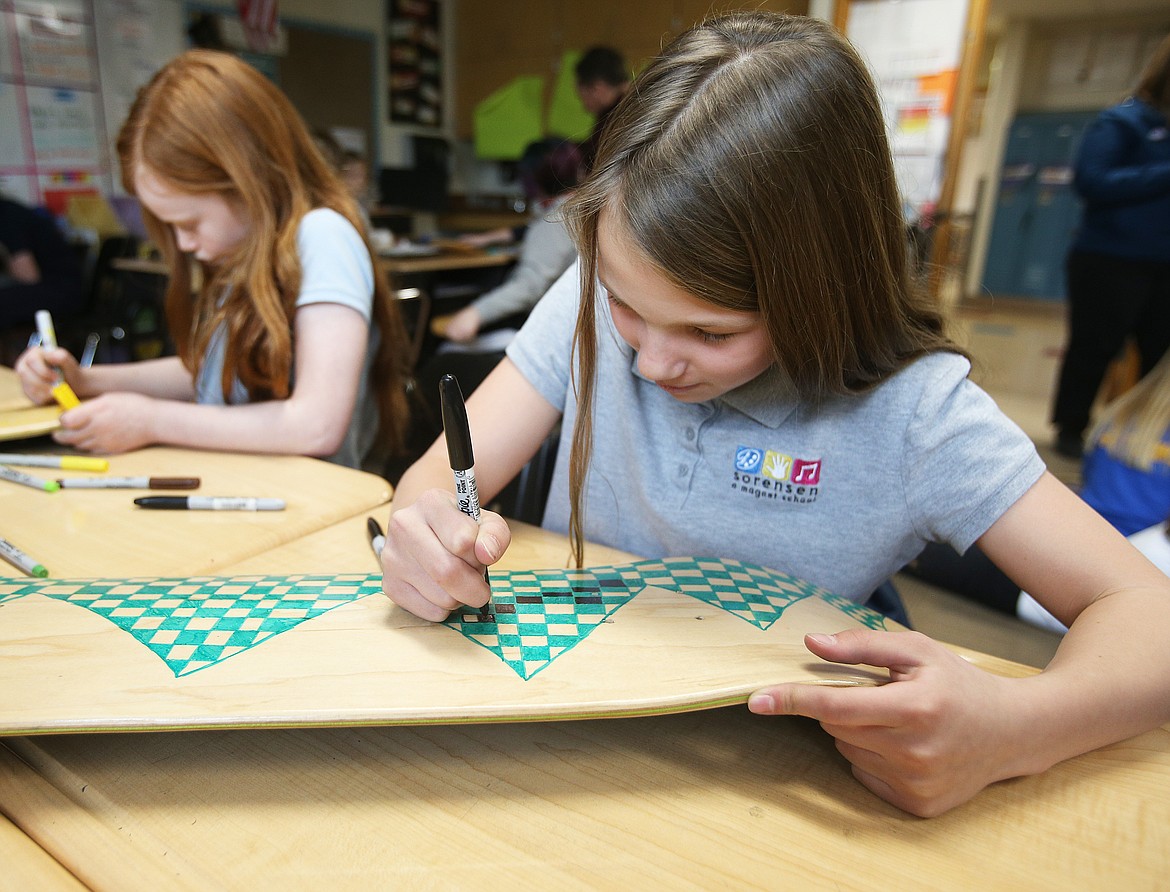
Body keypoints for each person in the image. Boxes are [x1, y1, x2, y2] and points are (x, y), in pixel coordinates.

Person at [379, 13, 1170, 818]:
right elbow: (430, 485)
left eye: (709, 331)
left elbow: (1150, 616)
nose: (650, 362)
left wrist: (1015, 727)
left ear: (823, 288)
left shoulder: (917, 415)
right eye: (626, 307)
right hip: (554, 753)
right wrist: (423, 535)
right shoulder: (589, 287)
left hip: (770, 792)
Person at [14, 50, 411, 470]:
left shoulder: (323, 236)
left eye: (190, 221)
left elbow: (315, 425)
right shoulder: (247, 250)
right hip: (239, 480)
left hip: (308, 503)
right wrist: (86, 381)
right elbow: (214, 378)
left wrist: (151, 421)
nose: (183, 244)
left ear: (247, 180)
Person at [1050, 33, 1170, 459]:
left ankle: (1141, 437)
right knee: (1094, 348)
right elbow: (1091, 180)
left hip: (1162, 266)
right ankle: (1071, 429)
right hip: (1111, 260)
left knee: (1159, 359)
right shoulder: (1123, 123)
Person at [441, 139, 583, 344]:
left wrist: (474, 314)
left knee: (446, 353)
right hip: (575, 329)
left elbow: (528, 287)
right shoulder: (580, 210)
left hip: (553, 335)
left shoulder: (554, 222)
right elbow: (529, 230)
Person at [0, 195, 85, 329]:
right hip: (61, 287)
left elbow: (29, 277)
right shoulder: (10, 210)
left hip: (61, 292)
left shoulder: (6, 216)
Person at [575, 46, 630, 173]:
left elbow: (596, 165)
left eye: (583, 97)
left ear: (597, 89)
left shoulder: (616, 117)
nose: (585, 107)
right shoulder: (640, 101)